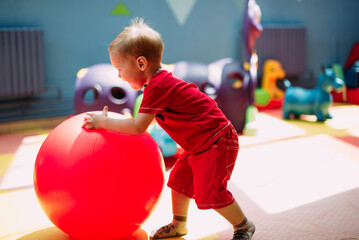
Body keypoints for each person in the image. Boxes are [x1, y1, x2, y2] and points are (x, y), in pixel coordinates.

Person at [82, 18, 255, 240]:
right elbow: (145, 121)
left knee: (211, 193)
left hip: (216, 141)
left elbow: (138, 127)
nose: (118, 76)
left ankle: (243, 226)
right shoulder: (157, 84)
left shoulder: (158, 86)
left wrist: (102, 122)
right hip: (198, 145)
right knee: (179, 182)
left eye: (119, 68)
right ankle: (179, 225)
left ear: (141, 63)